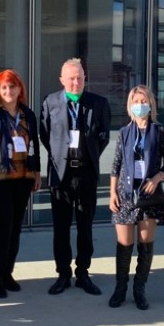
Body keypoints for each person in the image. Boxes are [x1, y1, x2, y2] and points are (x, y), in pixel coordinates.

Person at [39, 58, 111, 296]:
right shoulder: (50, 102)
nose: (76, 82)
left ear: (84, 78)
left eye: (79, 77)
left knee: (85, 226)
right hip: (61, 174)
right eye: (71, 78)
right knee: (61, 228)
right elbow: (45, 135)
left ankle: (83, 273)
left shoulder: (98, 103)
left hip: (86, 174)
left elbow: (103, 136)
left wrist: (88, 157)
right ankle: (62, 273)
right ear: (62, 80)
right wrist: (61, 157)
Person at [0, 69, 41, 298]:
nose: (9, 91)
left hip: (22, 179)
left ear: (20, 89)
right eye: (4, 87)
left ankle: (7, 272)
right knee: (3, 227)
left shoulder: (28, 115)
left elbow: (35, 145)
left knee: (16, 228)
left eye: (12, 86)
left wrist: (37, 172)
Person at [108, 85, 164, 310]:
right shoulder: (125, 132)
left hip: (149, 195)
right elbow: (115, 165)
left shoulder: (161, 131)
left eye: (143, 100)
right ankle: (120, 288)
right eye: (135, 101)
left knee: (145, 244)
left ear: (151, 104)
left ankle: (139, 289)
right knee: (124, 244)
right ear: (130, 105)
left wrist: (157, 178)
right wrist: (112, 193)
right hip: (125, 194)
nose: (139, 105)